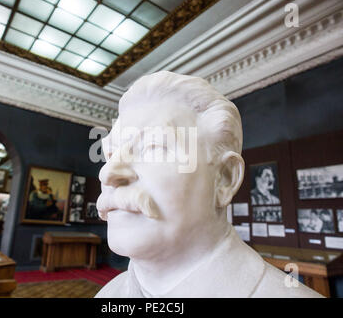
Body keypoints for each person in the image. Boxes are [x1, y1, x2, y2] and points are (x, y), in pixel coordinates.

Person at [95, 71, 321, 298]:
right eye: (111, 154)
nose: (108, 172)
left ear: (225, 178)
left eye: (154, 147)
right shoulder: (107, 295)